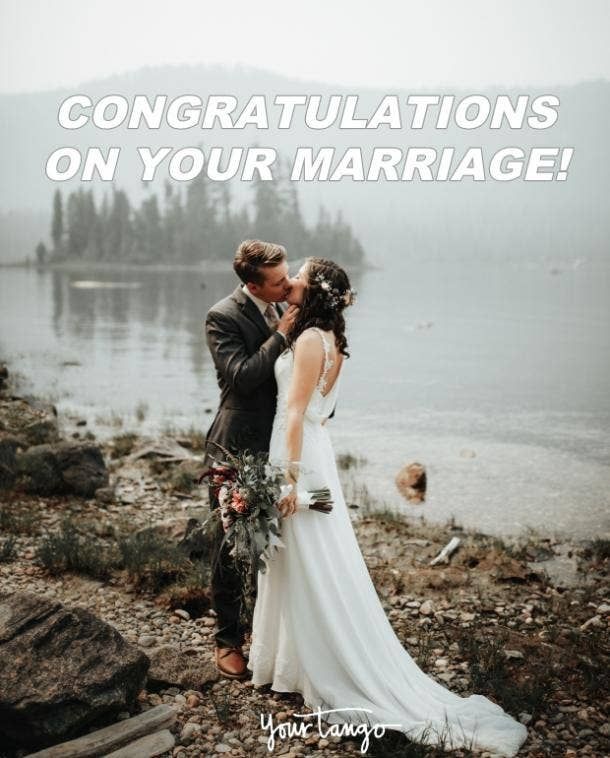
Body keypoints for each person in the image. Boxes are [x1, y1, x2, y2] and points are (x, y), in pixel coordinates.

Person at [246, 257, 528, 757]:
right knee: (302, 558)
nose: (291, 282)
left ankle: (315, 666)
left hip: (296, 456)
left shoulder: (311, 341)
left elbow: (294, 412)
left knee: (305, 558)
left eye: (300, 278)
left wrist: (288, 479)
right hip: (315, 451)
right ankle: (287, 664)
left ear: (312, 293)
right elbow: (320, 413)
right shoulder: (331, 340)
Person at [204, 239, 299, 680]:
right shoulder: (222, 317)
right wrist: (282, 335)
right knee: (231, 544)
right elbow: (241, 378)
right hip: (236, 445)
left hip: (281, 443)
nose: (289, 285)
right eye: (279, 281)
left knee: (277, 543)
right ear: (252, 285)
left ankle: (267, 636)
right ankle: (227, 640)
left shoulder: (289, 306)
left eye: (289, 275)